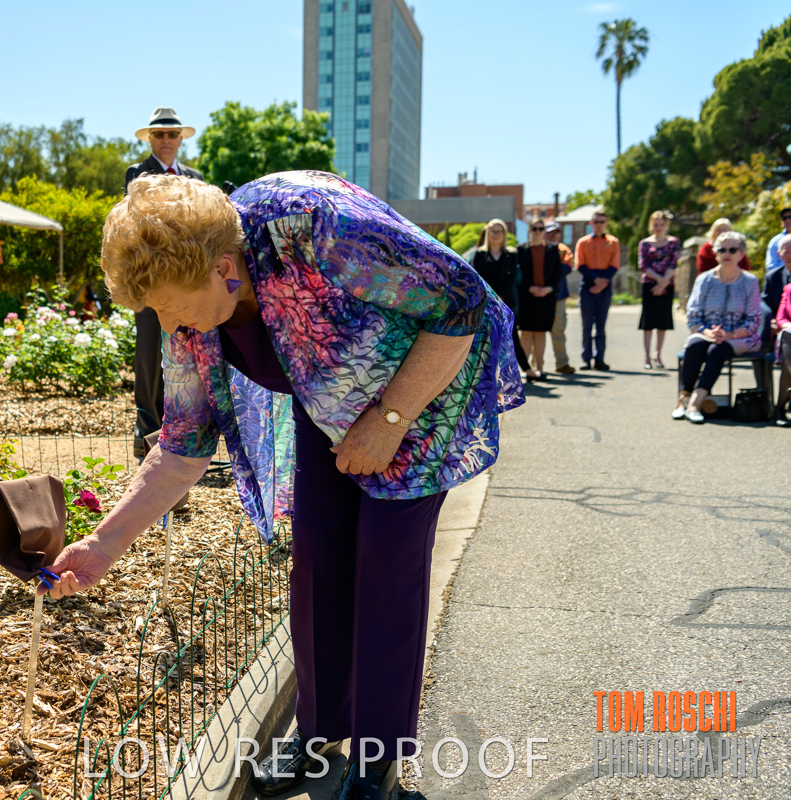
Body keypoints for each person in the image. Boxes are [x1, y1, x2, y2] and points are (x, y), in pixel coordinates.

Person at [46, 172, 524, 800]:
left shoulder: (314, 227)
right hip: (324, 399)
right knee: (317, 561)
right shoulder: (188, 318)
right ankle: (319, 733)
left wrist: (389, 419)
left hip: (419, 394)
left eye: (171, 305)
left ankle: (378, 763)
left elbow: (459, 302)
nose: (167, 322)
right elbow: (183, 446)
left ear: (224, 268)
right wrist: (102, 544)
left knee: (387, 568)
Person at [124, 107, 204, 464]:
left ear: (181, 138)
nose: (166, 140)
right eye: (159, 134)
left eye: (172, 134)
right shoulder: (137, 174)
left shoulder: (195, 177)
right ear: (151, 139)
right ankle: (147, 440)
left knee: (187, 357)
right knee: (149, 360)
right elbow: (141, 222)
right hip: (150, 282)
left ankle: (183, 440)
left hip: (187, 283)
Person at [672, 231, 762, 424]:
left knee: (717, 350)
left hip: (740, 336)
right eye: (722, 249)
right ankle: (682, 401)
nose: (726, 253)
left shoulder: (750, 281)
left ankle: (695, 404)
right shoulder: (704, 279)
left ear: (741, 253)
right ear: (716, 252)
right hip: (707, 332)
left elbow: (754, 319)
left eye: (732, 249)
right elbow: (693, 314)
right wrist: (708, 332)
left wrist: (728, 335)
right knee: (695, 345)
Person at [471, 218, 531, 378]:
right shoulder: (479, 254)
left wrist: (500, 297)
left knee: (511, 337)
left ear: (504, 234)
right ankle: (484, 377)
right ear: (487, 233)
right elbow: (477, 278)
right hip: (485, 303)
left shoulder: (511, 254)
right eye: (493, 231)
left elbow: (512, 279)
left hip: (506, 302)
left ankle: (526, 370)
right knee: (485, 339)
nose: (496, 234)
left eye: (499, 231)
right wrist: (491, 297)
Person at [516, 220, 564, 379]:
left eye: (540, 229)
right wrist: (529, 287)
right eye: (534, 228)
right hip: (526, 296)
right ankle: (524, 370)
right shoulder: (520, 250)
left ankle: (540, 368)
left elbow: (558, 273)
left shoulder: (552, 249)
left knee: (540, 333)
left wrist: (549, 288)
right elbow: (518, 274)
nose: (537, 231)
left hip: (546, 297)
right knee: (526, 333)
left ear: (544, 231)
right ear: (529, 230)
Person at [575, 207, 619, 370]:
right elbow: (580, 264)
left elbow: (614, 265)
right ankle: (586, 359)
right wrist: (595, 281)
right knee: (587, 325)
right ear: (591, 223)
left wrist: (601, 284)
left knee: (601, 325)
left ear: (606, 223)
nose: (599, 224)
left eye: (602, 222)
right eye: (596, 222)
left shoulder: (613, 242)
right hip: (587, 284)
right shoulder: (583, 242)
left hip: (605, 286)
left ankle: (599, 358)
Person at [637, 210, 680, 369]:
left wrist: (663, 284)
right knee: (648, 322)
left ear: (666, 225)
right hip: (650, 285)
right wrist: (658, 281)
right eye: (656, 225)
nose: (658, 227)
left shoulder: (673, 242)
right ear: (651, 225)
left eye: (661, 224)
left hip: (667, 285)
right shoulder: (645, 243)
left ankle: (657, 355)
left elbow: (674, 263)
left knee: (662, 321)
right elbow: (643, 265)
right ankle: (647, 357)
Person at [544, 221, 576, 374]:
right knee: (536, 332)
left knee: (558, 330)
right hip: (538, 296)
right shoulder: (537, 248)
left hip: (559, 295)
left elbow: (567, 268)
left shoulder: (563, 249)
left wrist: (548, 264)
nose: (552, 236)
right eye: (549, 233)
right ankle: (535, 365)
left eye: (555, 233)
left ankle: (562, 363)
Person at [770, 236, 791, 426]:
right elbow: (781, 318)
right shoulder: (788, 289)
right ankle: (780, 408)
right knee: (787, 334)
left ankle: (780, 408)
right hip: (788, 336)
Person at [765, 207, 791, 273]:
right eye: (784, 218)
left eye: (790, 217)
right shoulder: (775, 241)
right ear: (782, 222)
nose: (788, 220)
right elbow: (771, 265)